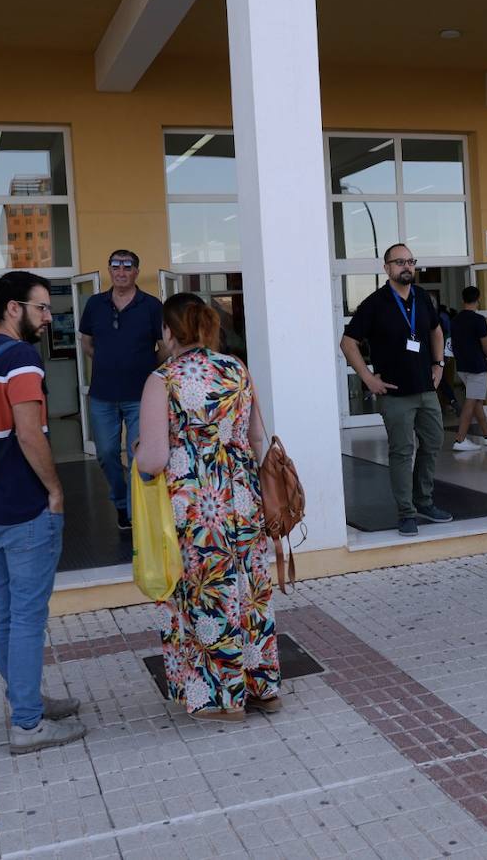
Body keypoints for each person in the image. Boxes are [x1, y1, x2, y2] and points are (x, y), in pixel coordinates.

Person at [137, 293, 280, 722]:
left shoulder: (163, 380)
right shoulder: (238, 369)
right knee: (249, 592)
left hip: (195, 508)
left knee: (206, 596)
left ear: (167, 330)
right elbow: (257, 437)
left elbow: (154, 459)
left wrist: (138, 448)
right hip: (241, 496)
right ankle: (262, 688)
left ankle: (221, 699)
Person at [0, 271, 84, 754]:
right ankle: (28, 724)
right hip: (21, 504)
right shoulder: (20, 358)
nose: (48, 317)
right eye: (41, 308)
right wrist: (54, 490)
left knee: (5, 607)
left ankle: (24, 700)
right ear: (13, 308)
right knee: (29, 616)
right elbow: (30, 434)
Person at [340, 243, 451, 536]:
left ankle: (424, 500)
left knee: (433, 442)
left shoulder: (423, 298)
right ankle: (406, 512)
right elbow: (348, 342)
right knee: (402, 452)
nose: (406, 266)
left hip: (426, 390)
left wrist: (439, 364)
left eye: (410, 261)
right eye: (399, 262)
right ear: (386, 267)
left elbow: (436, 331)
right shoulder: (375, 303)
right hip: (395, 394)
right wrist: (368, 378)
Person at [80, 249, 164, 530]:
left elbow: (163, 348)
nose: (121, 271)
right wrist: (110, 362)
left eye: (127, 266)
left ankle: (132, 511)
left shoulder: (152, 305)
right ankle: (119, 500)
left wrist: (148, 371)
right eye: (115, 266)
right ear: (109, 270)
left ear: (136, 272)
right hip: (103, 394)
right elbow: (87, 343)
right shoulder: (95, 304)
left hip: (141, 396)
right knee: (105, 453)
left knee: (138, 454)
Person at [450, 286, 487, 450]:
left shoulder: (455, 320)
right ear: (478, 300)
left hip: (462, 366)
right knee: (471, 402)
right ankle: (460, 439)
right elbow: (486, 345)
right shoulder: (478, 320)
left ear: (463, 300)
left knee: (476, 400)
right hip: (477, 366)